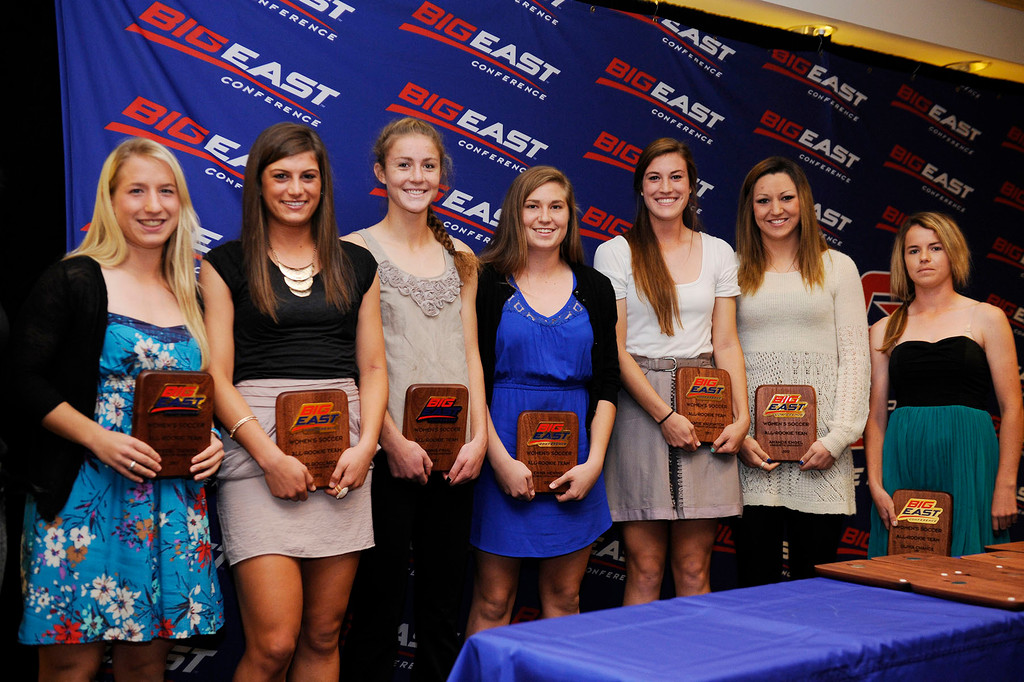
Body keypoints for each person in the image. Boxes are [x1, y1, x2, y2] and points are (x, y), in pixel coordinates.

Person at [11, 137, 224, 680]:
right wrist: (97, 437)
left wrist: (211, 440)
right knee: (69, 663)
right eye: (136, 191)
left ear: (182, 204)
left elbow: (203, 390)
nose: (153, 205)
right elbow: (21, 379)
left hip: (168, 498)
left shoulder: (191, 292)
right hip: (84, 493)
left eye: (166, 191)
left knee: (146, 665)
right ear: (110, 199)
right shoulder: (75, 278)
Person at [200, 122, 387, 680]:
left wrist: (368, 447)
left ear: (324, 185)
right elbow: (215, 374)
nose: (295, 188)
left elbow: (374, 367)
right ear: (258, 183)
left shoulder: (358, 265)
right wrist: (268, 457)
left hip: (345, 452)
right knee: (275, 642)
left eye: (308, 176)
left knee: (324, 634)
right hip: (256, 449)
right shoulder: (224, 264)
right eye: (281, 175)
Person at [341, 117, 486, 682]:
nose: (416, 176)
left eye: (428, 165)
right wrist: (390, 442)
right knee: (375, 604)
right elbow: (354, 367)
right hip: (384, 456)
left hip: (457, 456)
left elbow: (470, 352)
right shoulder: (354, 252)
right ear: (381, 172)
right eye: (404, 165)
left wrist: (477, 438)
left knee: (442, 605)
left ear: (442, 176)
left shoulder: (463, 259)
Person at [593, 138, 748, 602]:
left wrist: (741, 417)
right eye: (654, 178)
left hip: (706, 400)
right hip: (640, 404)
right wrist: (663, 414)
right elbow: (615, 349)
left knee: (695, 567)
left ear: (692, 185)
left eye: (676, 176)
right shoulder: (616, 252)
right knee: (644, 567)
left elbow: (726, 342)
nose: (666, 187)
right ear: (640, 188)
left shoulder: (720, 252)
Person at [465, 166, 618, 634]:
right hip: (500, 449)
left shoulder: (596, 287)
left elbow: (607, 385)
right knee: (493, 601)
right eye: (533, 206)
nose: (545, 218)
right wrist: (500, 461)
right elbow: (473, 377)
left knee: (564, 596)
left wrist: (593, 465)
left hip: (576, 459)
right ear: (516, 213)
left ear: (571, 217)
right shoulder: (486, 281)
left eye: (556, 207)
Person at [732, 157, 870, 585]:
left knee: (818, 584)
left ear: (805, 202)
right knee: (756, 581)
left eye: (787, 197)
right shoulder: (732, 271)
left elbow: (855, 358)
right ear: (749, 209)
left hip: (822, 454)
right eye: (764, 200)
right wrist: (739, 435)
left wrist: (838, 436)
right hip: (754, 453)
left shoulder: (838, 267)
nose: (776, 209)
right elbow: (719, 358)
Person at [865, 212, 1021, 557]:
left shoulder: (987, 317)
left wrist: (1006, 485)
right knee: (903, 567)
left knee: (972, 568)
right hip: (904, 460)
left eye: (934, 248)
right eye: (913, 250)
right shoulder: (883, 329)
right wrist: (876, 484)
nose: (923, 258)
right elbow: (875, 416)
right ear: (902, 260)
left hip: (970, 457)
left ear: (953, 252)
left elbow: (1012, 409)